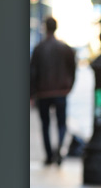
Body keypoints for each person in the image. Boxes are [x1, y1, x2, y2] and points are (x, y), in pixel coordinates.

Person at [29, 16, 77, 165]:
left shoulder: (39, 48)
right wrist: (69, 86)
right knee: (61, 123)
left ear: (45, 28)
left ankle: (49, 156)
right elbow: (72, 69)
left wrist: (32, 94)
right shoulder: (65, 48)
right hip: (61, 92)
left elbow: (32, 73)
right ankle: (59, 151)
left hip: (42, 92)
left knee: (45, 125)